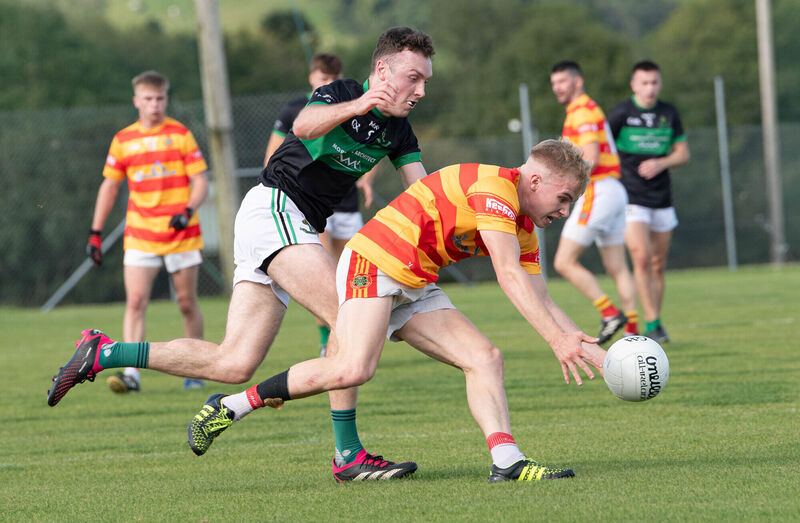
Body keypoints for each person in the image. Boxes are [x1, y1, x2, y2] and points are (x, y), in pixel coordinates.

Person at [47, 27, 435, 482]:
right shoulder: (344, 92)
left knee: (233, 362)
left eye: (426, 81)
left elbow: (424, 194)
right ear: (383, 70)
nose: (421, 90)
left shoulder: (399, 131)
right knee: (349, 321)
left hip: (285, 223)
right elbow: (304, 125)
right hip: (276, 209)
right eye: (414, 78)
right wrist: (358, 105)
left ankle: (105, 353)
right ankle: (347, 455)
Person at [185, 139, 608, 483]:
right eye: (564, 197)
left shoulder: (525, 226)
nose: (566, 210)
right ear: (535, 180)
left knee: (484, 358)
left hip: (415, 279)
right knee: (352, 369)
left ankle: (507, 462)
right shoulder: (495, 190)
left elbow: (543, 298)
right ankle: (231, 405)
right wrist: (554, 340)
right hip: (375, 261)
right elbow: (508, 274)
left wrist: (601, 358)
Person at [84, 70, 209, 393]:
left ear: (166, 99)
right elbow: (109, 187)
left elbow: (200, 182)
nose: (155, 105)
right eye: (149, 99)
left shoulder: (180, 134)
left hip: (180, 233)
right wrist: (95, 232)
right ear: (136, 101)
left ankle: (195, 369)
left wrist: (187, 211)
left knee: (185, 302)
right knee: (136, 301)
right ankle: (131, 373)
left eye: (160, 98)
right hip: (141, 233)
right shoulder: (123, 140)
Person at [263, 52, 376, 357]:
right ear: (311, 77)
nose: (328, 83)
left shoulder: (353, 105)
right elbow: (272, 155)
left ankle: (352, 338)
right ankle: (328, 342)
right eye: (323, 78)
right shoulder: (296, 110)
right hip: (312, 208)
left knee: (352, 275)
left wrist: (367, 178)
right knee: (326, 280)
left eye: (333, 79)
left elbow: (375, 149)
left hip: (347, 204)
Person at [549, 61, 638, 344]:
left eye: (562, 81)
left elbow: (591, 157)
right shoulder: (586, 109)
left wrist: (563, 186)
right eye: (554, 84)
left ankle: (610, 313)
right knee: (617, 267)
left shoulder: (582, 111)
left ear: (578, 81)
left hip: (598, 189)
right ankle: (634, 332)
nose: (557, 88)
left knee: (564, 261)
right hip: (614, 190)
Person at [608, 60, 689, 343]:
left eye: (654, 82)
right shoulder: (620, 114)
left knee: (657, 263)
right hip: (631, 197)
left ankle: (655, 320)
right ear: (633, 85)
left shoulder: (668, 113)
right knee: (640, 258)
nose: (650, 88)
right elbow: (604, 149)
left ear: (660, 83)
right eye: (644, 82)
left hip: (662, 199)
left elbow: (683, 153)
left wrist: (661, 162)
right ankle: (651, 325)